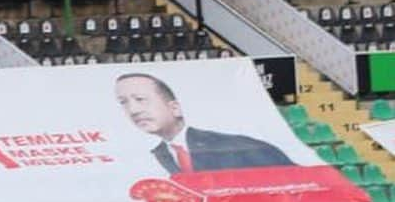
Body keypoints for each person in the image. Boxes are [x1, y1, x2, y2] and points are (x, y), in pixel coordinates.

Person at [115, 72, 292, 173]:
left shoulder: (239, 146)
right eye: (124, 103)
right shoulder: (154, 156)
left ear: (174, 107)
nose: (133, 110)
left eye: (140, 99)